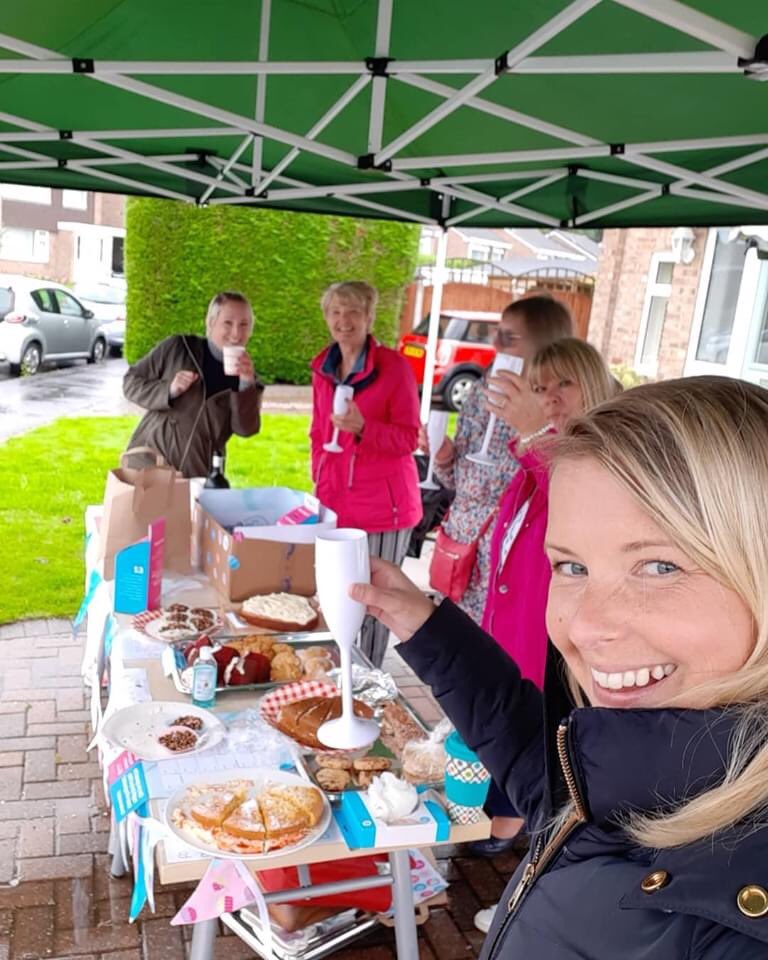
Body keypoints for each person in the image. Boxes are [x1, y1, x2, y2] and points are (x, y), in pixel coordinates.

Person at [352, 375, 768, 959]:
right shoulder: (646, 760)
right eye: (571, 567)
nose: (585, 625)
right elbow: (544, 773)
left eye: (659, 567)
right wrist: (426, 624)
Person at [467, 340, 618, 908]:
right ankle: (515, 839)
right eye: (539, 388)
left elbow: (581, 518)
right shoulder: (531, 466)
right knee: (522, 755)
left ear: (593, 387)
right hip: (514, 645)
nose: (550, 399)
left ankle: (538, 893)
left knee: (560, 777)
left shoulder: (596, 469)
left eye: (564, 386)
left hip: (559, 656)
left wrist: (535, 437)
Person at [428, 296, 572, 623]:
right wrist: (445, 456)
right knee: (455, 648)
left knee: (497, 656)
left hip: (511, 563)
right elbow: (459, 484)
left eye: (510, 336)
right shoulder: (482, 390)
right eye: (497, 333)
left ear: (544, 342)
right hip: (461, 551)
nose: (496, 343)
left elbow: (562, 490)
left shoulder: (558, 405)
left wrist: (534, 430)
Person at [310, 281, 421, 668]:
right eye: (336, 312)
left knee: (374, 604)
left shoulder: (394, 368)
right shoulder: (323, 368)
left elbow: (409, 439)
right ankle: (336, 680)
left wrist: (363, 428)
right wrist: (317, 476)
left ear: (369, 317)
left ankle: (367, 688)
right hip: (335, 503)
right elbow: (317, 431)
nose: (344, 321)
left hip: (383, 509)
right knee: (336, 596)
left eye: (353, 312)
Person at [123, 291, 263, 477]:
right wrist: (169, 391)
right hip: (149, 466)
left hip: (198, 478)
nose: (236, 333)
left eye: (244, 325)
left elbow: (246, 430)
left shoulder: (250, 380)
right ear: (211, 323)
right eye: (228, 323)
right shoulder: (178, 348)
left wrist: (246, 384)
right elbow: (130, 382)